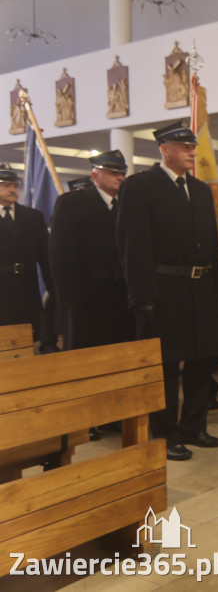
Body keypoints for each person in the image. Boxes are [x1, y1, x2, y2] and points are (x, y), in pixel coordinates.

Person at [116, 119, 218, 461]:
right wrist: (142, 296)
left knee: (201, 362)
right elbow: (132, 246)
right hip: (165, 289)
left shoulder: (197, 188)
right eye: (185, 147)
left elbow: (211, 243)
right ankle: (167, 433)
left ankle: (195, 426)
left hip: (201, 288)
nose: (192, 152)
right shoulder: (140, 187)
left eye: (193, 146)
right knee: (166, 366)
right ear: (164, 150)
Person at [50, 151, 135, 437]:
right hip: (86, 296)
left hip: (120, 294)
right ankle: (83, 419)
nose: (120, 178)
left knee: (115, 359)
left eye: (122, 173)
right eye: (113, 173)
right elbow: (60, 254)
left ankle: (110, 414)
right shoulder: (73, 203)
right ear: (95, 175)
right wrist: (67, 301)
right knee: (85, 362)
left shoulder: (127, 204)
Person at [0, 164, 53, 344]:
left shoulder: (33, 217)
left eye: (15, 185)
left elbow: (45, 257)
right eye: (6, 185)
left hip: (26, 289)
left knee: (28, 338)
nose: (12, 189)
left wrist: (53, 288)